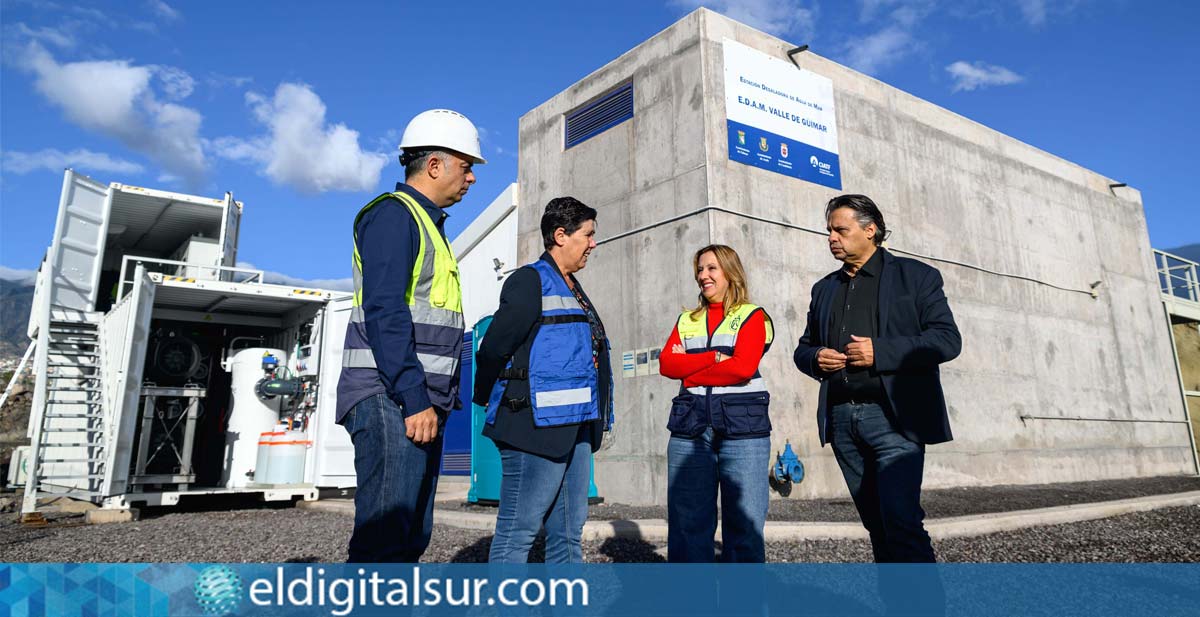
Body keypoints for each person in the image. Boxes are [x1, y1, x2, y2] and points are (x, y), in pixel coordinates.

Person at [335, 109, 485, 562]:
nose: (472, 178)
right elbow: (386, 311)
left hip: (413, 400)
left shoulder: (427, 226)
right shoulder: (393, 217)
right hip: (390, 397)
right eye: (467, 166)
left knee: (409, 536)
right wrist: (414, 396)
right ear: (435, 165)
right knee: (386, 538)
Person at [793, 194, 961, 563]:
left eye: (841, 229)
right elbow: (803, 348)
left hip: (894, 420)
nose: (832, 238)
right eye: (829, 231)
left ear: (870, 230)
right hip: (841, 422)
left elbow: (946, 341)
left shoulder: (916, 277)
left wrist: (880, 353)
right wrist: (816, 357)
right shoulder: (825, 289)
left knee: (901, 523)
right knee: (878, 527)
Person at [474, 197, 614, 564]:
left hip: (576, 428)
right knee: (517, 534)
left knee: (567, 536)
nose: (593, 244)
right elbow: (492, 350)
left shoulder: (574, 288)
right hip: (531, 428)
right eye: (588, 235)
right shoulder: (529, 281)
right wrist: (484, 397)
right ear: (561, 235)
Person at [658, 244, 774, 563]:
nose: (703, 276)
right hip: (689, 429)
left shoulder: (753, 316)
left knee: (744, 530)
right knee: (686, 527)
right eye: (699, 269)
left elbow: (742, 367)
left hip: (743, 432)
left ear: (729, 272)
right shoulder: (686, 320)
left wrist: (692, 371)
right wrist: (712, 358)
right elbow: (667, 364)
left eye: (711, 268)